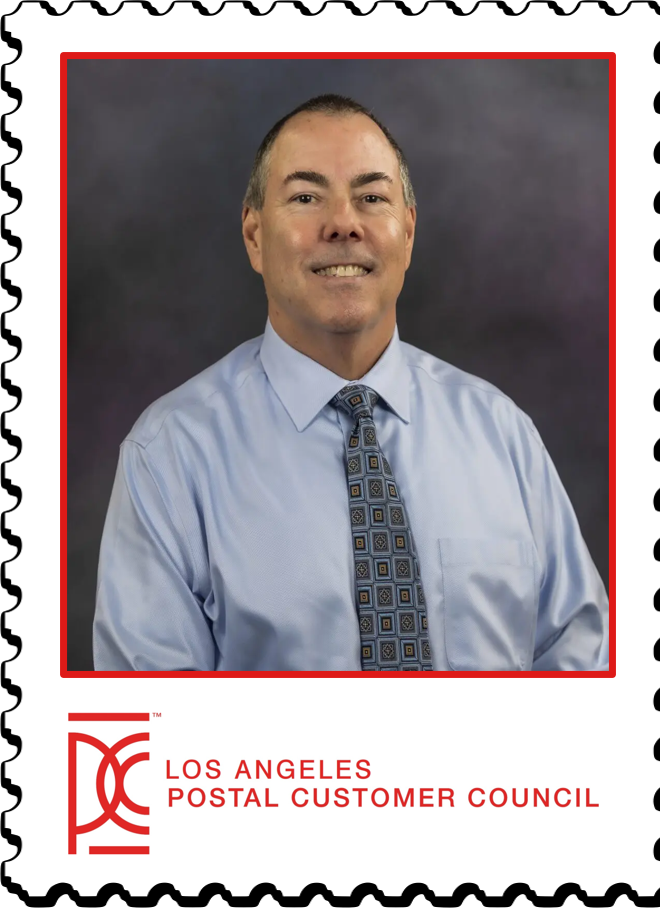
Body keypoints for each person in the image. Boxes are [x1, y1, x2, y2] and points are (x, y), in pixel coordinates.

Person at [93, 94, 608, 671]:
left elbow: (580, 664)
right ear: (255, 235)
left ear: (407, 233)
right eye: (307, 197)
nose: (343, 224)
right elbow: (157, 728)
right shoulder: (169, 456)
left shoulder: (502, 434)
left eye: (371, 197)